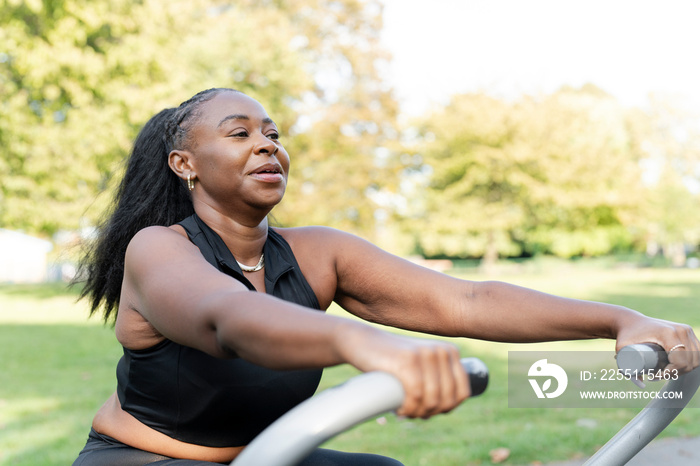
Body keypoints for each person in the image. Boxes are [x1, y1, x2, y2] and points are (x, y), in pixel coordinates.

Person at [73, 88, 699, 466]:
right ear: (185, 163)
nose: (267, 146)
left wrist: (618, 319)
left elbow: (468, 300)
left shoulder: (319, 254)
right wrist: (364, 344)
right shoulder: (157, 250)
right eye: (240, 134)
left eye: (273, 134)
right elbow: (227, 317)